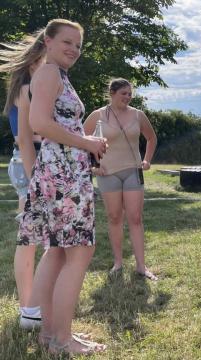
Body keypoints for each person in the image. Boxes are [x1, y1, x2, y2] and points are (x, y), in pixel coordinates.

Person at [17, 19, 107, 355]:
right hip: (63, 175)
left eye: (78, 45)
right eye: (67, 42)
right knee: (79, 253)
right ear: (49, 41)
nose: (73, 49)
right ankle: (62, 339)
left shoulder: (54, 74)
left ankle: (51, 337)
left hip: (61, 172)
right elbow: (38, 123)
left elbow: (51, 123)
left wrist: (88, 146)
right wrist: (86, 142)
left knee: (56, 252)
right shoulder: (49, 72)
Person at [84, 78, 158, 280]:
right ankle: (118, 263)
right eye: (123, 93)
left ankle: (141, 266)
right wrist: (92, 166)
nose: (128, 97)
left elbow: (151, 138)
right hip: (108, 173)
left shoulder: (138, 114)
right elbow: (81, 141)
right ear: (112, 93)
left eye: (129, 93)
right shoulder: (98, 115)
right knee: (115, 217)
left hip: (133, 171)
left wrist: (147, 160)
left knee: (135, 218)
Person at [0, 30, 44, 329]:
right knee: (29, 240)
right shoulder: (27, 89)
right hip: (29, 163)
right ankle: (28, 308)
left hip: (33, 162)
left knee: (34, 239)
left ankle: (32, 306)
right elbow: (24, 137)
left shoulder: (30, 88)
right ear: (34, 62)